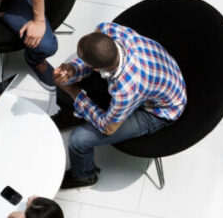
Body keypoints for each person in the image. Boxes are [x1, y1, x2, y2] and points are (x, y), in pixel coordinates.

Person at [53, 22, 186, 189]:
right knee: (66, 81)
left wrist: (74, 93)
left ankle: (84, 175)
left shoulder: (125, 90)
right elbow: (90, 61)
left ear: (96, 69)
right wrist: (73, 69)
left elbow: (108, 127)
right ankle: (71, 116)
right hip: (159, 74)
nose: (77, 60)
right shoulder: (108, 29)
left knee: (78, 140)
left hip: (160, 110)